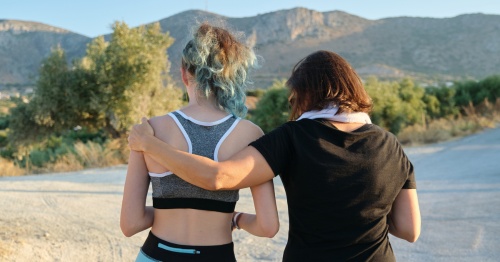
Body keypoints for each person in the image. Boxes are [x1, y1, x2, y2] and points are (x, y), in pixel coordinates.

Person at [128, 50, 421, 261]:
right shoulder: (392, 145)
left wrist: (151, 146)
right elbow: (409, 229)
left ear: (306, 94)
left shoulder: (293, 137)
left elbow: (218, 177)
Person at [120, 22, 279, 262]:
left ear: (184, 72)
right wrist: (235, 218)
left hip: (156, 254)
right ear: (233, 75)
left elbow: (130, 224)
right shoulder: (250, 134)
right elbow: (268, 227)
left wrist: (169, 211)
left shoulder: (149, 131)